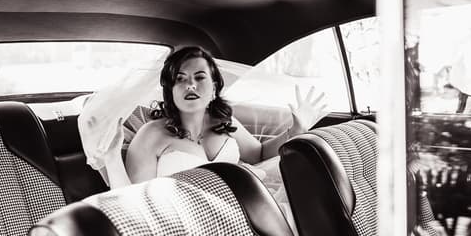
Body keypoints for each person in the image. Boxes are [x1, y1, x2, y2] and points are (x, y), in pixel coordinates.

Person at [96, 45, 328, 189]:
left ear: (214, 88)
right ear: (170, 91)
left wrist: (295, 131)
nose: (190, 85)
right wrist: (111, 157)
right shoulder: (152, 134)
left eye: (199, 77)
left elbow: (258, 155)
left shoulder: (224, 121)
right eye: (180, 79)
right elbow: (135, 199)